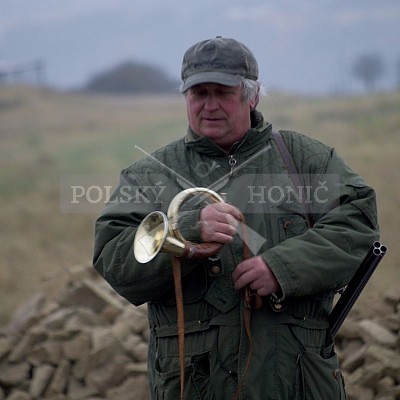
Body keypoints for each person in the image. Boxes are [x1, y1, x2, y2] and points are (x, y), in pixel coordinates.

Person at [93, 37, 379, 399]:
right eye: (199, 93)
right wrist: (186, 232)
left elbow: (358, 225)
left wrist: (282, 268)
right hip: (194, 386)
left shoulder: (307, 161)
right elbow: (113, 258)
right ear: (186, 97)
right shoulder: (148, 176)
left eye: (222, 93)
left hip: (298, 384)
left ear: (252, 96)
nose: (209, 106)